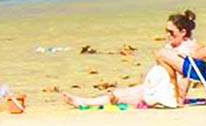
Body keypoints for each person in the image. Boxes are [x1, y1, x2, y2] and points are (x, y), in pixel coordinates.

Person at [62, 12, 197, 109]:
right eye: (166, 31)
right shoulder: (171, 48)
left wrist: (179, 97)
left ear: (183, 32)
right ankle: (84, 101)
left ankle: (83, 101)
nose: (167, 35)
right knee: (122, 92)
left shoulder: (187, 50)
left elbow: (184, 76)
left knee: (118, 95)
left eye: (171, 32)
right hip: (155, 87)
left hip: (165, 92)